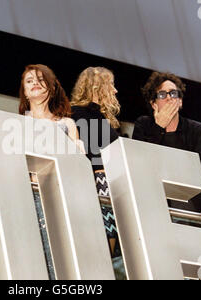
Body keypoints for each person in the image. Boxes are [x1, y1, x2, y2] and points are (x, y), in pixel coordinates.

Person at [18, 64, 83, 279]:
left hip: (61, 197)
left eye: (40, 79)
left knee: (62, 256)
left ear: (52, 87)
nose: (35, 83)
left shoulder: (67, 124)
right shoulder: (16, 125)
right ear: (25, 92)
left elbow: (77, 166)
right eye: (29, 81)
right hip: (28, 198)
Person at [132, 71, 201, 227]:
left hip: (189, 203)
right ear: (153, 104)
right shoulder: (144, 125)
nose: (169, 97)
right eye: (162, 94)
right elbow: (139, 162)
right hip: (153, 202)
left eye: (173, 93)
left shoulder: (197, 130)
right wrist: (159, 128)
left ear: (181, 101)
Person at [70, 67, 123, 277]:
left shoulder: (99, 117)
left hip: (106, 184)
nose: (116, 91)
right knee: (99, 250)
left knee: (107, 251)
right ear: (96, 86)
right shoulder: (78, 114)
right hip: (96, 184)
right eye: (111, 85)